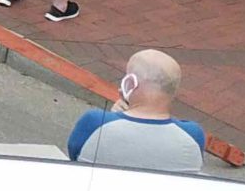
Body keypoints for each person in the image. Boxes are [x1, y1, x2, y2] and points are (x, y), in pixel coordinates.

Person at [64, 50, 207, 171]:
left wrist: (114, 117)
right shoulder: (193, 134)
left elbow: (75, 156)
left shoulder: (94, 122)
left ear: (130, 83)